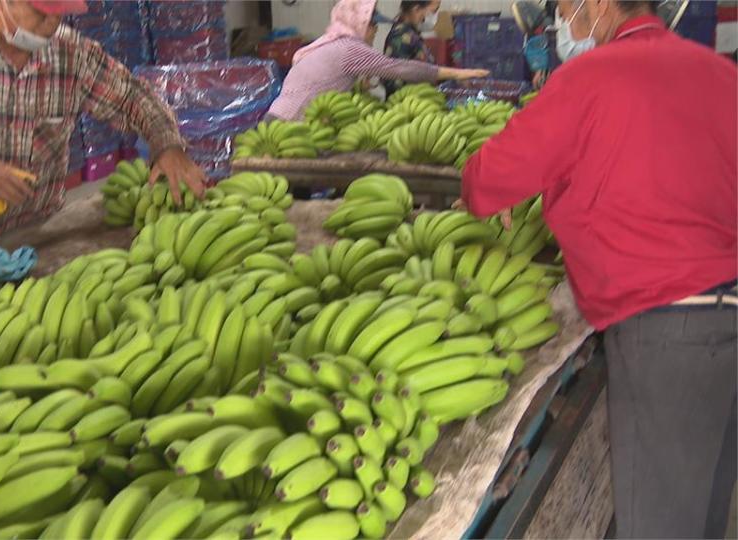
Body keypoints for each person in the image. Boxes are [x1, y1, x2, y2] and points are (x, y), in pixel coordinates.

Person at [459, 1, 737, 537]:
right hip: (727, 313)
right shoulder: (721, 74)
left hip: (666, 330)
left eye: (566, 7)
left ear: (602, 4)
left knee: (661, 521)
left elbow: (484, 180)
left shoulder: (590, 76)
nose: (563, 20)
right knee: (706, 508)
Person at [0, 0, 205, 237]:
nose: (49, 26)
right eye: (39, 13)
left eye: (58, 13)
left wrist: (167, 144)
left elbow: (135, 98)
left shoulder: (72, 56)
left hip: (34, 234)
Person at [265, 0, 488, 121]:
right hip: (290, 124)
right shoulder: (350, 47)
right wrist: (456, 73)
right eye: (372, 26)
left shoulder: (328, 43)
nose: (375, 32)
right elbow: (400, 68)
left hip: (277, 117)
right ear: (360, 25)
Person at [383, 0, 442, 96]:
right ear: (416, 9)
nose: (435, 17)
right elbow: (395, 82)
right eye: (434, 11)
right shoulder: (401, 36)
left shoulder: (412, 34)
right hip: (405, 103)